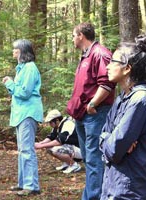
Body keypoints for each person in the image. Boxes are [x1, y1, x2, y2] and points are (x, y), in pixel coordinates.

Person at [66, 22, 116, 200]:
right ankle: (92, 195)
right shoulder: (85, 56)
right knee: (89, 158)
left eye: (73, 35)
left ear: (81, 35)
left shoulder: (100, 53)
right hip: (82, 115)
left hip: (95, 114)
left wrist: (93, 103)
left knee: (95, 159)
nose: (72, 39)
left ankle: (94, 197)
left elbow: (107, 83)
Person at [99, 35, 146, 199]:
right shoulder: (121, 99)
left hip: (131, 188)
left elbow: (115, 149)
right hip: (112, 183)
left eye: (113, 61)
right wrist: (108, 139)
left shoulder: (140, 100)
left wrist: (111, 141)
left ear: (127, 68)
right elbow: (104, 136)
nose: (107, 66)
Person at [2, 39, 43, 196]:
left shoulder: (30, 68)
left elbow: (25, 93)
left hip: (28, 113)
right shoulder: (22, 68)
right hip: (21, 113)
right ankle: (23, 183)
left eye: (16, 50)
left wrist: (10, 84)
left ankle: (31, 186)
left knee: (27, 150)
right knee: (22, 150)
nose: (13, 52)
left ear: (23, 52)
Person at [35, 110, 82, 174]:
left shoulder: (67, 124)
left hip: (80, 149)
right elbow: (51, 137)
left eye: (51, 122)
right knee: (49, 148)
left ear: (56, 120)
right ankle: (67, 163)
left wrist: (41, 146)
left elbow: (59, 141)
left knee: (55, 149)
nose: (50, 124)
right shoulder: (57, 126)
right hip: (71, 148)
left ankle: (74, 165)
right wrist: (40, 143)